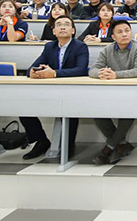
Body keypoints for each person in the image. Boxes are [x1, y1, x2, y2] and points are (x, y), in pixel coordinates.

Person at [21, 15, 90, 160]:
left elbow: (81, 70)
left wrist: (54, 74)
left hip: (72, 91)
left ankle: (68, 145)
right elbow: (32, 68)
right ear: (53, 31)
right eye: (58, 25)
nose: (62, 27)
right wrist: (33, 72)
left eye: (66, 24)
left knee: (69, 110)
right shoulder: (49, 47)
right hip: (50, 90)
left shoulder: (80, 46)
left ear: (73, 30)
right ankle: (41, 141)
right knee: (23, 108)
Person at [88, 19, 137, 165]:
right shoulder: (107, 49)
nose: (124, 34)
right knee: (96, 112)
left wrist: (116, 75)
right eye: (120, 32)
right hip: (112, 92)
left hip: (133, 92)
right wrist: (102, 74)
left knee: (129, 111)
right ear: (113, 36)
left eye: (127, 31)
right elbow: (93, 69)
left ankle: (109, 148)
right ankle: (122, 144)